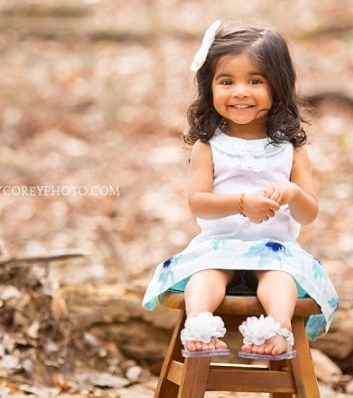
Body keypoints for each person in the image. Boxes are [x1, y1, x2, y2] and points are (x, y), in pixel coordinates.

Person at [141, 21, 339, 360]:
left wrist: (292, 193)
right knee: (207, 274)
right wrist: (242, 203)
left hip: (274, 250)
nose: (240, 92)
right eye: (227, 81)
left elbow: (310, 213)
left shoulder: (290, 150)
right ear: (209, 88)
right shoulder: (209, 147)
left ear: (278, 87)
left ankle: (275, 331)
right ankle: (200, 327)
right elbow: (199, 204)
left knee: (279, 278)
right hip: (219, 246)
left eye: (255, 81)